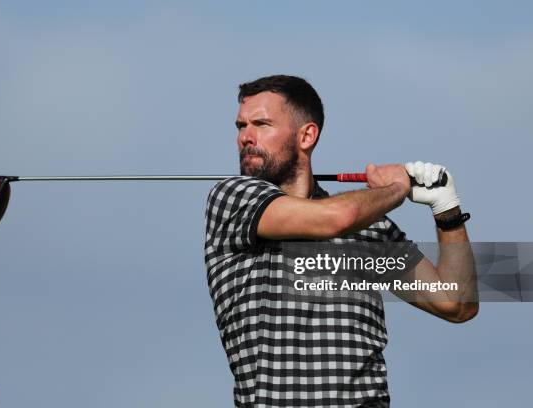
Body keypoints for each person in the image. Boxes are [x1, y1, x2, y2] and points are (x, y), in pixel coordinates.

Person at [204, 75, 478, 408]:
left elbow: (455, 303)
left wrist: (446, 208)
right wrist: (396, 189)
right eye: (240, 126)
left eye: (261, 124)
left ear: (307, 135)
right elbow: (335, 219)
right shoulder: (232, 199)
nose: (245, 137)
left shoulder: (368, 228)